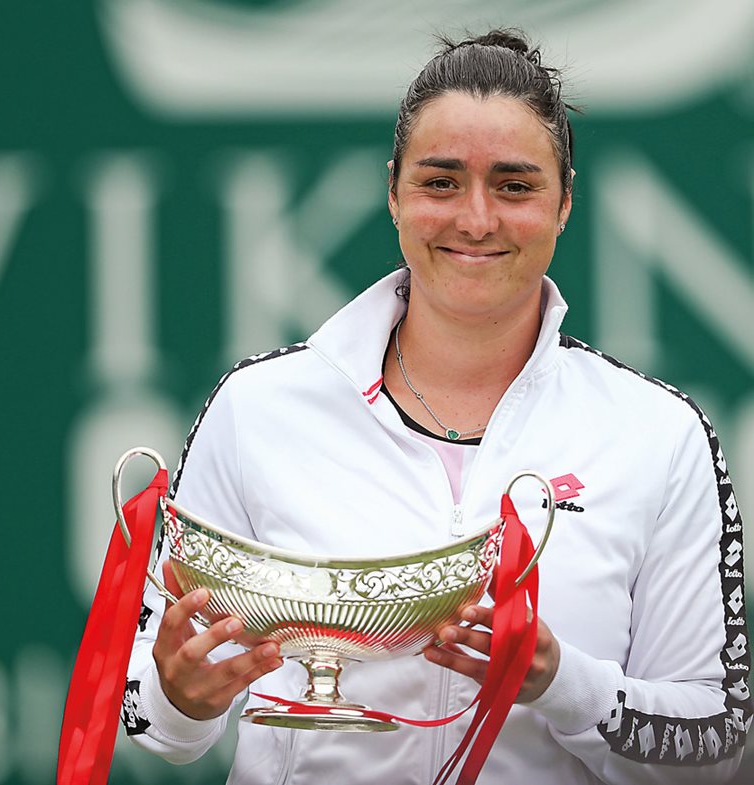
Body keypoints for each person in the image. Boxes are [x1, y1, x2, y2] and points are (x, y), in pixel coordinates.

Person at [122, 29, 751, 784]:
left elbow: (718, 747)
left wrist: (558, 679)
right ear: (393, 192)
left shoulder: (660, 434)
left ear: (565, 202)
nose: (476, 219)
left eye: (515, 185)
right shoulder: (256, 408)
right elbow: (147, 715)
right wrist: (180, 695)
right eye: (440, 182)